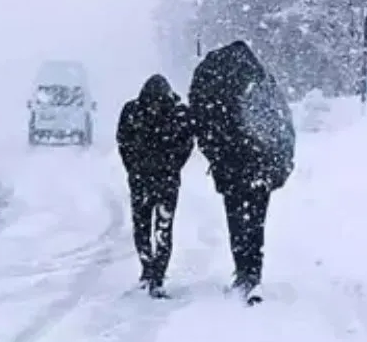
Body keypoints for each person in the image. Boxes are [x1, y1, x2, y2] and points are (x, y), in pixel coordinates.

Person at [189, 40, 296, 305]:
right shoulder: (261, 81)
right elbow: (282, 124)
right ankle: (254, 272)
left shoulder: (214, 84)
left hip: (231, 168)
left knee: (237, 220)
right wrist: (281, 164)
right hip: (262, 166)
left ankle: (242, 270)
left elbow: (201, 124)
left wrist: (216, 156)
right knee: (256, 221)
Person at [116, 74, 194, 298]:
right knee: (158, 228)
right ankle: (153, 271)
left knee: (150, 228)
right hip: (159, 180)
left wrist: (135, 167)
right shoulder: (178, 114)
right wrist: (171, 166)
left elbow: (124, 142)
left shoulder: (133, 112)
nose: (155, 108)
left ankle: (153, 272)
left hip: (148, 180)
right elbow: (186, 144)